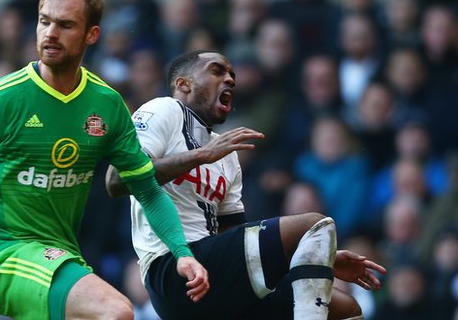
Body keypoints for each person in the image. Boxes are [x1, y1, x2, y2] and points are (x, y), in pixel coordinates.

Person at [0, 0, 209, 320]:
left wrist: (181, 253)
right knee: (115, 311)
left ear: (91, 34)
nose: (51, 33)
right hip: (0, 254)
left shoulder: (107, 105)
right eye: (44, 22)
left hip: (61, 253)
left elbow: (148, 191)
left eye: (65, 25)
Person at [106, 50, 386, 320]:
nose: (229, 79)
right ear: (183, 84)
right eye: (217, 71)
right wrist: (201, 155)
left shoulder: (226, 155)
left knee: (344, 308)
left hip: (212, 274)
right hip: (170, 269)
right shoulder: (163, 110)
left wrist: (316, 255)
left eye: (232, 74)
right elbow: (117, 181)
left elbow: (235, 239)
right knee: (314, 223)